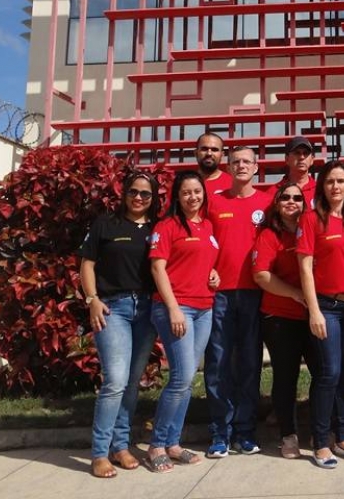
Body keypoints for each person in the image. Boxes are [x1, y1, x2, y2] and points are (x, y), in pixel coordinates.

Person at [78, 171, 161, 478]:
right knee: (114, 380)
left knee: (131, 381)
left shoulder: (157, 229)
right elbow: (87, 263)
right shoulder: (105, 224)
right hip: (113, 309)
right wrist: (92, 299)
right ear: (124, 193)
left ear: (153, 199)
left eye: (146, 194)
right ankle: (100, 452)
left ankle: (121, 446)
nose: (139, 198)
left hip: (147, 310)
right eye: (134, 192)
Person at [147, 170, 221, 473]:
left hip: (205, 308)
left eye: (197, 191)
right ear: (177, 197)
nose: (193, 197)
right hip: (177, 309)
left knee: (188, 378)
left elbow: (205, 261)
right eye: (186, 192)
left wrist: (215, 273)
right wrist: (174, 308)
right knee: (180, 377)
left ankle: (173, 443)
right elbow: (157, 269)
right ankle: (156, 445)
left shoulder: (208, 226)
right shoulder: (167, 227)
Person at [204, 147, 273, 457]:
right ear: (227, 167)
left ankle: (245, 431)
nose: (241, 165)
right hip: (219, 294)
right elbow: (203, 242)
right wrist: (209, 270)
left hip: (254, 293)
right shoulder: (215, 201)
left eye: (247, 161)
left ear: (256, 167)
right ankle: (220, 432)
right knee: (218, 363)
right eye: (236, 162)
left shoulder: (268, 201)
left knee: (249, 363)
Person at [297, 160, 344, 469]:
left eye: (340, 181)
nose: (335, 187)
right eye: (329, 182)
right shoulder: (311, 219)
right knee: (328, 374)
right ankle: (321, 441)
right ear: (322, 186)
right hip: (326, 308)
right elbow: (305, 268)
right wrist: (314, 311)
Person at [253, 181, 313, 461]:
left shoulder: (310, 230)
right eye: (286, 197)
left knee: (324, 373)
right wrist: (296, 295)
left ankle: (322, 429)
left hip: (312, 315)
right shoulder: (268, 235)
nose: (292, 202)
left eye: (297, 198)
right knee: (286, 377)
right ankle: (288, 435)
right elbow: (262, 276)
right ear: (277, 204)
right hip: (280, 317)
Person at [281, 136, 317, 205]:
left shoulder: (321, 192)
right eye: (297, 153)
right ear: (287, 159)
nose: (301, 157)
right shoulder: (273, 193)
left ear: (312, 160)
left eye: (306, 153)